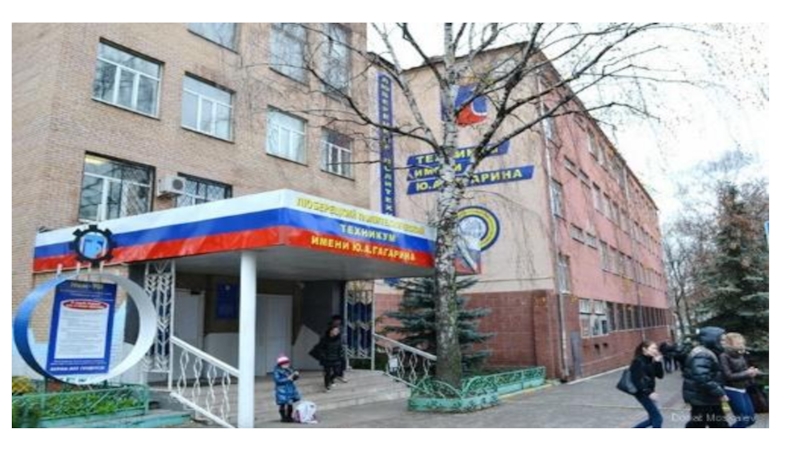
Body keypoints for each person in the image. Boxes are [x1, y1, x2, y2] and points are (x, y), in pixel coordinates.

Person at [682, 326, 730, 428]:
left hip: (706, 397)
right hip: (702, 398)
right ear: (712, 339)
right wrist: (720, 393)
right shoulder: (703, 354)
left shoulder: (708, 352)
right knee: (701, 424)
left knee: (712, 424)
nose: (724, 342)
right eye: (722, 340)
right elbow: (702, 378)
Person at [720, 332, 760, 428]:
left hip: (743, 388)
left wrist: (752, 372)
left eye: (742, 342)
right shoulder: (724, 356)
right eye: (738, 343)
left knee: (750, 419)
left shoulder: (740, 354)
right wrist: (747, 373)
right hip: (732, 389)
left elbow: (744, 370)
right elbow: (728, 375)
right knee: (743, 420)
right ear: (729, 344)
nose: (741, 345)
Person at [630, 340, 665, 428]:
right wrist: (649, 393)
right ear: (644, 349)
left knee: (653, 419)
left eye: (656, 348)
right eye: (653, 348)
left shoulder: (650, 360)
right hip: (642, 393)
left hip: (650, 392)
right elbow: (636, 381)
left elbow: (660, 376)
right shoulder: (638, 361)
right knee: (658, 418)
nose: (655, 350)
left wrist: (658, 362)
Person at [312, 325, 347, 391]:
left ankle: (331, 379)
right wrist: (323, 355)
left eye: (337, 331)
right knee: (327, 373)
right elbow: (320, 348)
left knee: (337, 372)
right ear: (330, 331)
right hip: (327, 359)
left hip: (336, 358)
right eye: (335, 330)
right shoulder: (324, 339)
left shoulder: (339, 339)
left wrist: (341, 355)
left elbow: (340, 349)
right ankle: (327, 386)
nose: (336, 332)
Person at [273, 355, 301, 423]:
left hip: (290, 388)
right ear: (280, 364)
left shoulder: (289, 370)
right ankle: (283, 417)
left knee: (290, 403)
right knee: (282, 404)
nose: (287, 365)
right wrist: (287, 379)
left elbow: (293, 378)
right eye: (285, 364)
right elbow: (277, 381)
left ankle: (289, 417)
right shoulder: (277, 371)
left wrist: (296, 375)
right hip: (282, 390)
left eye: (287, 364)